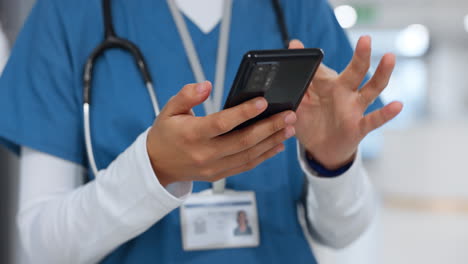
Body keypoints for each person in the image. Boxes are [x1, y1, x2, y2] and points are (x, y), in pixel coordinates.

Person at [0, 0, 402, 263]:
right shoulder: (68, 14)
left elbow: (342, 232)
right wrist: (155, 169)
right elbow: (41, 245)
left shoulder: (297, 10)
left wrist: (332, 163)